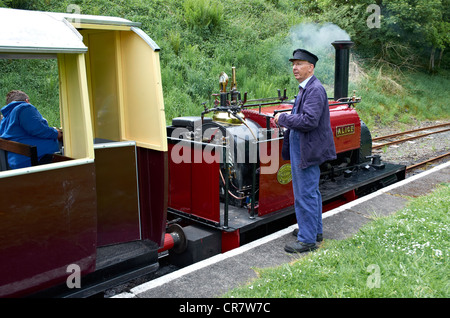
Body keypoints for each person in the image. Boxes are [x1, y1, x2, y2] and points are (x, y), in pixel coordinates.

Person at [274, 49, 336, 253]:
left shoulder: (314, 90)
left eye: (299, 64)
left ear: (311, 67)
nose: (295, 67)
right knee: (311, 192)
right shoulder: (306, 88)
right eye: (293, 64)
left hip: (306, 149)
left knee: (305, 194)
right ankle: (314, 231)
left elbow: (309, 120)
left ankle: (307, 240)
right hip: (303, 147)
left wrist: (282, 118)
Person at [0, 90, 62, 169]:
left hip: (18, 160)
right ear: (27, 101)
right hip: (36, 159)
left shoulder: (6, 118)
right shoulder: (24, 107)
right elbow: (37, 129)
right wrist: (56, 133)